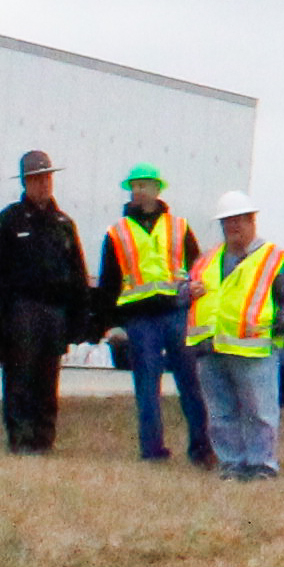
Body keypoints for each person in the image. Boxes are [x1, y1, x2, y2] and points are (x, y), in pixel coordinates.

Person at [0, 150, 94, 456]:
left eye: (47, 178)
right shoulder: (7, 221)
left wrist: (79, 318)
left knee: (47, 378)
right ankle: (20, 438)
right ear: (25, 182)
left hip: (54, 312)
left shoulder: (63, 223)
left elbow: (78, 273)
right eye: (37, 179)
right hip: (21, 310)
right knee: (20, 376)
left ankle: (44, 439)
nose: (43, 185)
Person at [95, 165, 214, 466]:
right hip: (139, 319)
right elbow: (108, 282)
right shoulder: (117, 233)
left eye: (144, 186)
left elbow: (197, 270)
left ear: (157, 190)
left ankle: (202, 449)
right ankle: (152, 451)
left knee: (191, 384)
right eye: (134, 186)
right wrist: (111, 325)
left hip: (177, 313)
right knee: (147, 386)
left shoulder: (179, 227)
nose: (137, 191)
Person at [184, 190, 284, 483]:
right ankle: (231, 464)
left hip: (255, 350)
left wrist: (280, 327)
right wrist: (187, 292)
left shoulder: (273, 259)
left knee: (260, 412)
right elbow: (183, 291)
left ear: (252, 221)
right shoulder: (207, 260)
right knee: (221, 413)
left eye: (238, 221)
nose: (233, 227)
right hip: (211, 348)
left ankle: (262, 466)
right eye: (227, 222)